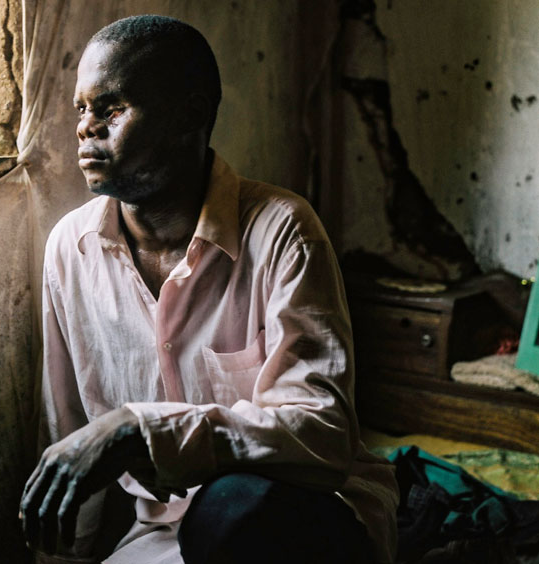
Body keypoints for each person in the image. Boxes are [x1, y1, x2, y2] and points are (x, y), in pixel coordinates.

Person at [20, 15, 399, 564]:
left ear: (190, 115)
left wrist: (142, 428)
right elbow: (71, 436)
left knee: (231, 508)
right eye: (82, 109)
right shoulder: (69, 249)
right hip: (160, 541)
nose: (85, 127)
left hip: (300, 516)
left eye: (112, 108)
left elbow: (322, 432)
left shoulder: (282, 229)